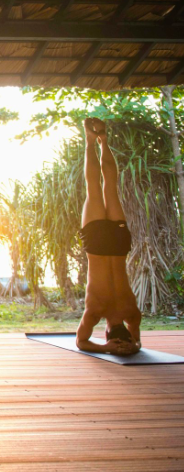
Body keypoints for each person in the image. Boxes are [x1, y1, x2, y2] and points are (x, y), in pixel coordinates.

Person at [76, 118, 141, 356]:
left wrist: (133, 344)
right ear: (106, 332)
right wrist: (105, 349)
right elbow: (81, 342)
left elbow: (137, 340)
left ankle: (103, 140)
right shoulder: (95, 311)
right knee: (94, 186)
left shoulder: (132, 314)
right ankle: (91, 141)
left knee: (110, 187)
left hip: (119, 246)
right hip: (97, 246)